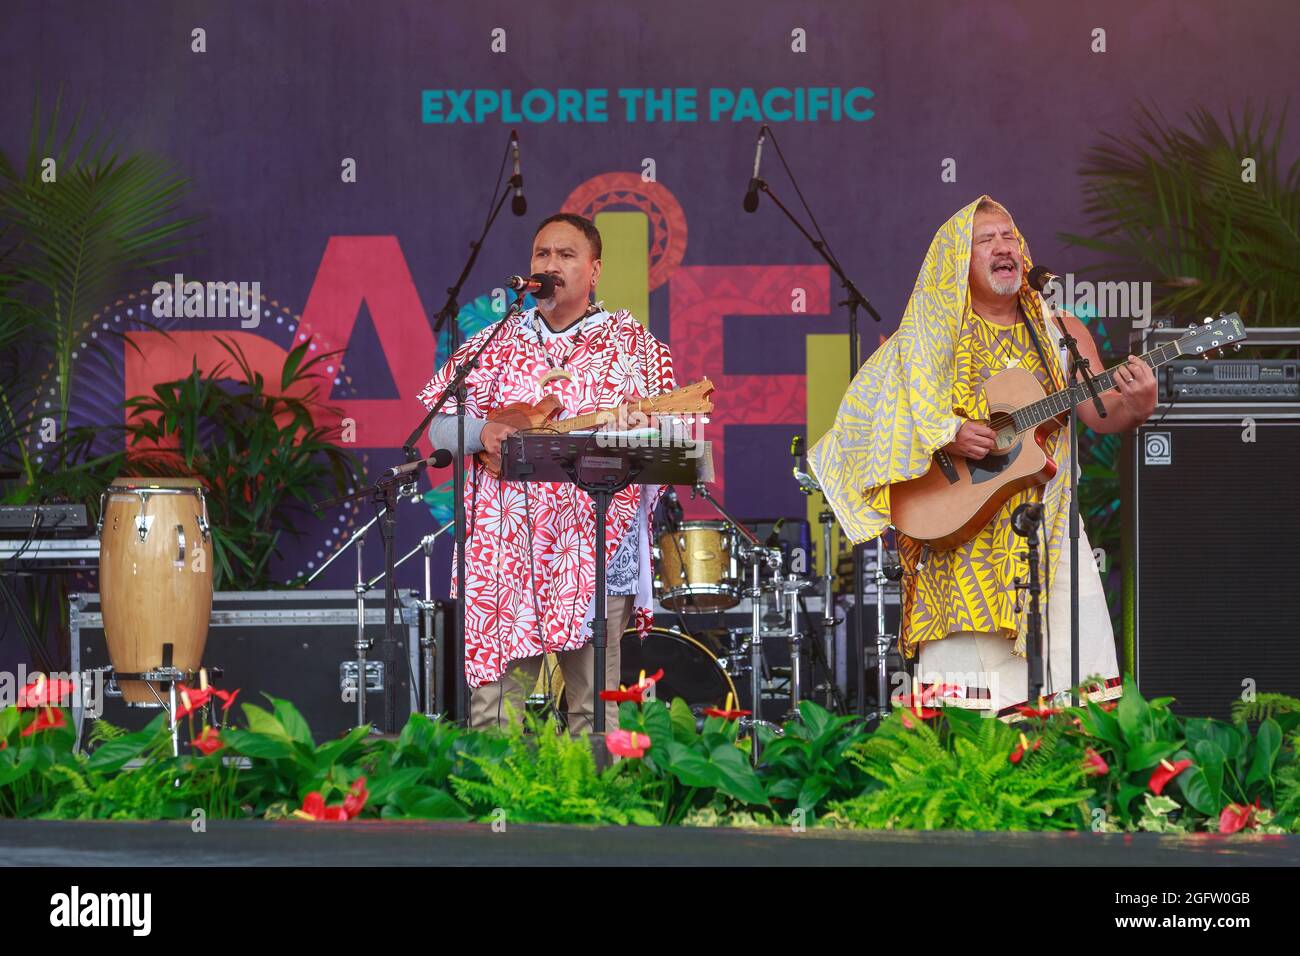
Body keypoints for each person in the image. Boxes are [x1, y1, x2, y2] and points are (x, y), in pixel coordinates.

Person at [809, 197, 1156, 713]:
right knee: (973, 729)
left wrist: (1140, 403)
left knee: (1075, 699)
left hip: (1052, 534)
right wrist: (943, 431)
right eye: (986, 239)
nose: (1002, 247)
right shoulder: (925, 342)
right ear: (957, 261)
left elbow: (1103, 415)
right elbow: (865, 423)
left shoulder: (1061, 332)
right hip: (960, 538)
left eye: (1010, 237)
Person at [417, 213, 676, 732]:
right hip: (505, 553)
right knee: (495, 710)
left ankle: (585, 812)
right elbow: (437, 424)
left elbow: (670, 432)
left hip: (596, 544)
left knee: (591, 709)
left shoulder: (634, 348)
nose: (550, 264)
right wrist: (481, 432)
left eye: (565, 255)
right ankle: (500, 811)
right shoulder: (493, 343)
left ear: (594, 269)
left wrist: (641, 428)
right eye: (541, 255)